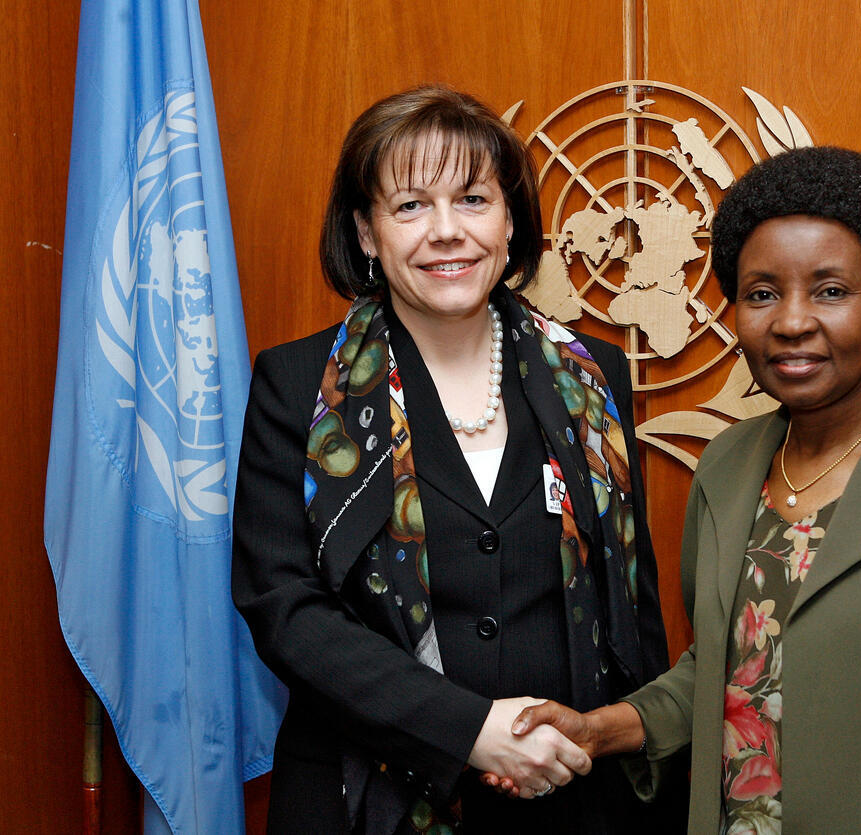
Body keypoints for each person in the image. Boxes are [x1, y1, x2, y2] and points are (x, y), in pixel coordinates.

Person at [502, 146, 861, 832]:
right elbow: (730, 671)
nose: (792, 321)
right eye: (762, 293)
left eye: (830, 291)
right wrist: (600, 729)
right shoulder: (726, 466)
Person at [231, 86, 681, 834]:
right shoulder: (299, 384)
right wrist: (469, 730)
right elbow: (285, 608)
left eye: (473, 199)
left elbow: (633, 607)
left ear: (510, 220)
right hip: (364, 803)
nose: (447, 232)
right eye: (410, 206)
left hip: (573, 796)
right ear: (367, 232)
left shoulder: (595, 377)